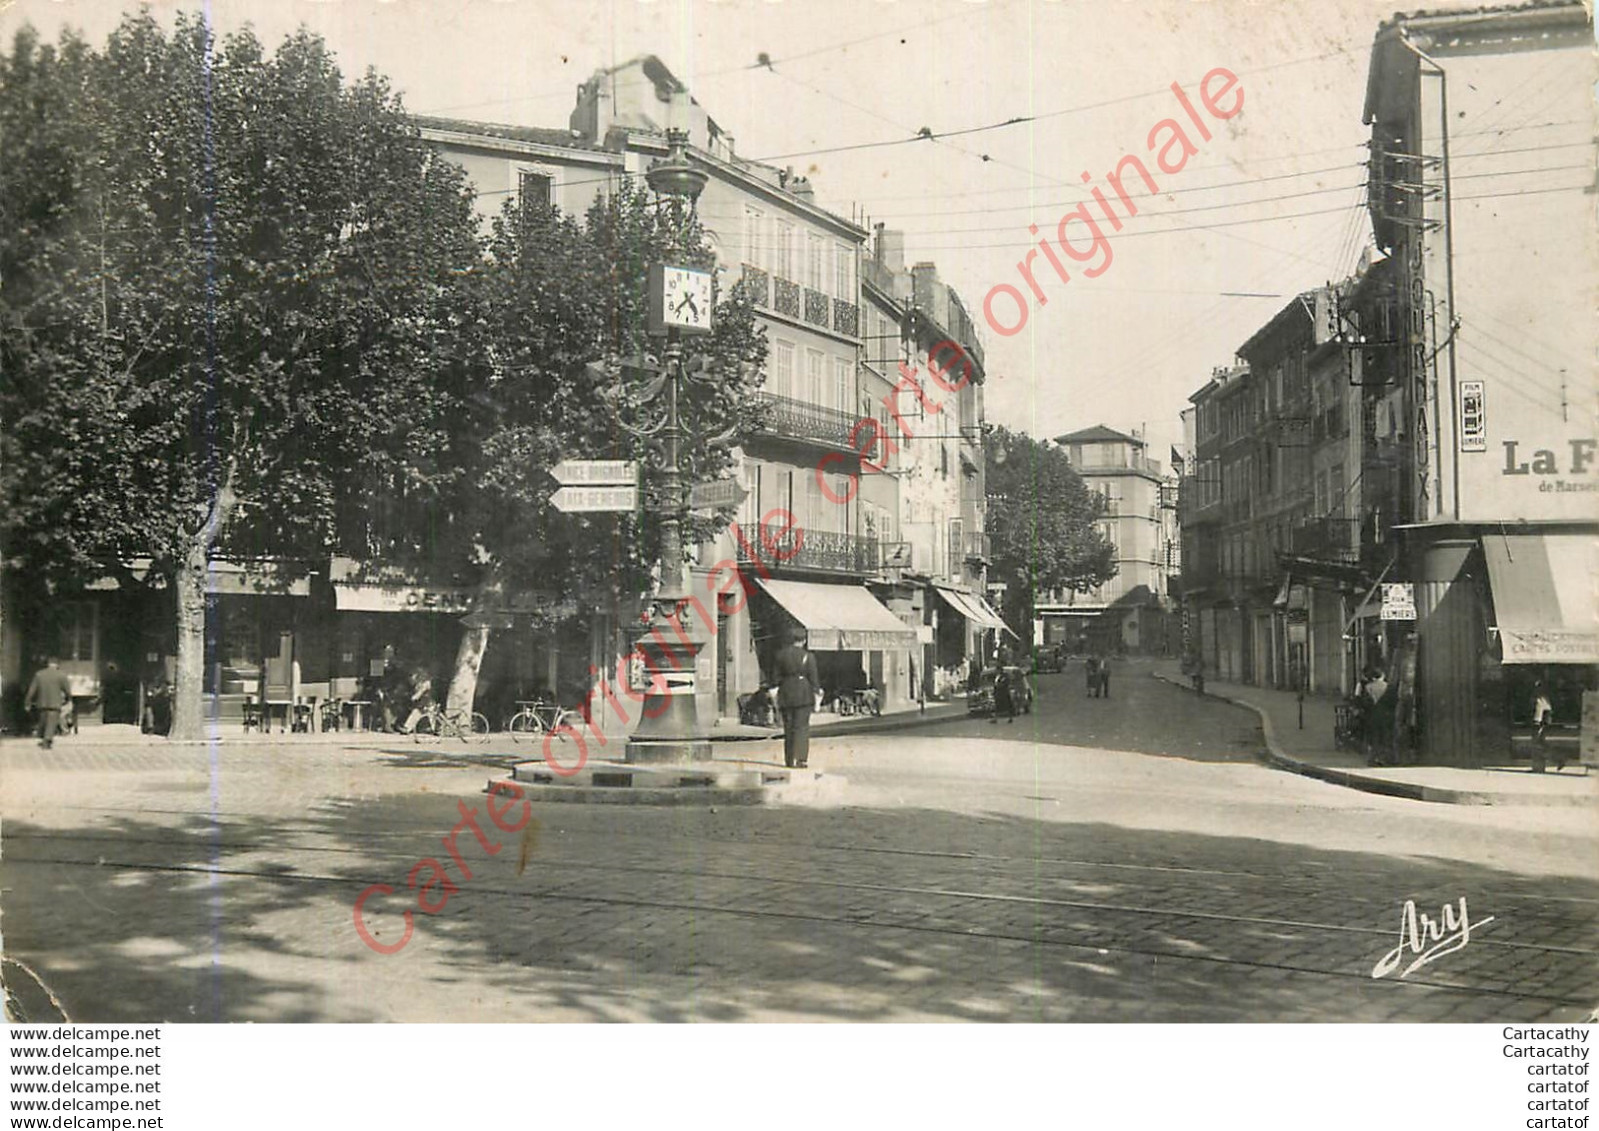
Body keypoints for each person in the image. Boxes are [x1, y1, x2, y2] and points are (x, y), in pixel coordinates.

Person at [773, 624, 821, 769]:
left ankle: (789, 760)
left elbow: (775, 679)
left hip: (786, 693)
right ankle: (801, 759)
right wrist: (817, 692)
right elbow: (814, 679)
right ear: (804, 640)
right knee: (802, 727)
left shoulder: (780, 655)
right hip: (804, 695)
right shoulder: (808, 657)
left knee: (788, 728)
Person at [24, 657, 74, 749]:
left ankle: (44, 738)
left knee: (43, 721)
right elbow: (67, 690)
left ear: (48, 664)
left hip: (42, 703)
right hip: (55, 703)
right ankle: (47, 740)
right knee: (51, 722)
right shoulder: (61, 675)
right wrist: (69, 699)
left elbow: (32, 690)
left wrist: (28, 702)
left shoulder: (39, 674)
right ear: (57, 664)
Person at [1531, 680, 1557, 773]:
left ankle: (1557, 760)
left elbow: (1540, 713)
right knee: (1540, 746)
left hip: (1539, 725)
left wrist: (1538, 725)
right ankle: (1538, 767)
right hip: (1541, 725)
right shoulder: (1544, 698)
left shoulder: (1540, 699)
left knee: (1539, 746)